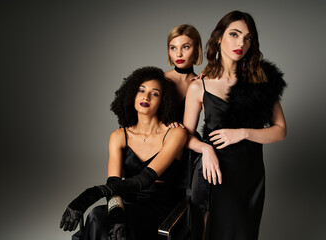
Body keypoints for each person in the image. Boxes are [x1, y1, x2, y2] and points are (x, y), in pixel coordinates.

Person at [183, 11, 287, 239]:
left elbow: (280, 130)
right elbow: (186, 136)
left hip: (250, 176)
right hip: (213, 173)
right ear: (219, 38)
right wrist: (206, 148)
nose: (241, 43)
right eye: (234, 34)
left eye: (248, 38)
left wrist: (242, 133)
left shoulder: (261, 81)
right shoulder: (199, 87)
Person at [60, 66, 187, 240]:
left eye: (155, 93)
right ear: (131, 95)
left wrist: (91, 194)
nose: (146, 97)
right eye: (141, 90)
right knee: (98, 216)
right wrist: (116, 212)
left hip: (160, 209)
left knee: (122, 225)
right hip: (128, 203)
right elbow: (114, 182)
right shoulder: (119, 136)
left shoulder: (175, 133)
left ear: (163, 100)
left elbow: (144, 179)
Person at [165, 24, 203, 124]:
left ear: (196, 49)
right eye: (173, 48)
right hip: (159, 138)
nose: (178, 54)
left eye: (185, 47)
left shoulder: (201, 84)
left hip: (189, 137)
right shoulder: (159, 79)